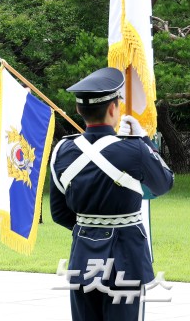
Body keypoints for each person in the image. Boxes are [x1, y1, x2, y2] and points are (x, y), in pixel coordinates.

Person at [49, 67, 174, 321]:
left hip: (83, 259)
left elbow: (59, 213)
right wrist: (145, 140)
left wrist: (92, 229)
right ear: (113, 109)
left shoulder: (62, 151)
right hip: (126, 260)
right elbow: (164, 183)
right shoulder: (134, 149)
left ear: (78, 110)